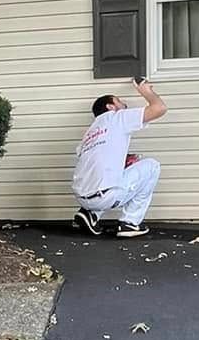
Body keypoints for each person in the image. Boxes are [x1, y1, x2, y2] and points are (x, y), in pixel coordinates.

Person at [71, 79, 166, 237]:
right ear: (110, 107)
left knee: (110, 174)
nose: (124, 103)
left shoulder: (90, 133)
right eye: (119, 101)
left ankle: (90, 214)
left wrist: (124, 161)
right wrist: (145, 90)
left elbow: (98, 162)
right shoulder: (117, 117)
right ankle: (130, 223)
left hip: (83, 198)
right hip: (105, 197)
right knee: (152, 166)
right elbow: (159, 108)